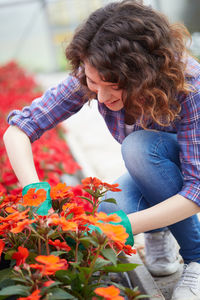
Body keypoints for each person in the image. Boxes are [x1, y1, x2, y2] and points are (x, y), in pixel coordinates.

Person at [3, 0, 200, 299]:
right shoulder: (93, 71)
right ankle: (160, 234)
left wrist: (124, 226)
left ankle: (196, 258)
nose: (102, 96)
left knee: (138, 148)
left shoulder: (188, 86)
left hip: (180, 169)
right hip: (153, 173)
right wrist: (34, 192)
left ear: (143, 74)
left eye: (115, 86)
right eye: (94, 83)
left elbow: (197, 189)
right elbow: (18, 130)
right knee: (106, 209)